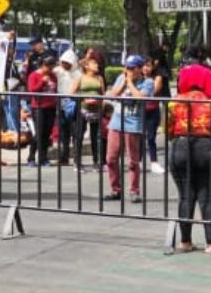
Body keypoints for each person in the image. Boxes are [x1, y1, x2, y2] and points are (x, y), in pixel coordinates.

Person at [168, 63, 211, 253]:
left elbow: (168, 128)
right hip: (209, 148)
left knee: (185, 196)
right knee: (207, 197)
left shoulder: (175, 101)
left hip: (181, 147)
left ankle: (185, 241)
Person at [106, 54, 155, 202]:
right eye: (127, 68)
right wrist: (124, 82)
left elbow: (140, 97)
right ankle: (115, 189)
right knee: (111, 158)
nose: (129, 70)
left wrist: (131, 83)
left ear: (140, 69)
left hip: (133, 124)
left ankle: (134, 190)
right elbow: (113, 94)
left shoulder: (148, 82)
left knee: (133, 161)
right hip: (116, 122)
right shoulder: (122, 78)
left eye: (132, 68)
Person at [71, 57, 105, 171]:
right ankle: (77, 162)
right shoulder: (80, 78)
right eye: (94, 63)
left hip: (96, 110)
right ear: (86, 66)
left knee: (96, 137)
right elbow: (72, 93)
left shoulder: (99, 78)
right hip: (83, 109)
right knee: (79, 136)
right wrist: (83, 99)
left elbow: (103, 93)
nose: (97, 65)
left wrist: (101, 102)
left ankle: (97, 161)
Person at [25, 54, 59, 167]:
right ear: (43, 65)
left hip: (51, 106)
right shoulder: (34, 75)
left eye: (52, 67)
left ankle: (43, 158)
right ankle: (31, 157)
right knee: (39, 133)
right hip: (39, 107)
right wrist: (42, 82)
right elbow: (32, 91)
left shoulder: (53, 76)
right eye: (48, 67)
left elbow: (55, 90)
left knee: (47, 134)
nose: (50, 70)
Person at [54, 49, 80, 164]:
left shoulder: (78, 74)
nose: (65, 65)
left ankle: (76, 157)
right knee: (63, 132)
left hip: (74, 103)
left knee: (75, 132)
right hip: (61, 103)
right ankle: (64, 156)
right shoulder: (58, 71)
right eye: (63, 62)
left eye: (67, 63)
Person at [142, 56, 168, 174]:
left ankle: (154, 162)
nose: (145, 68)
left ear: (153, 67)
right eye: (143, 65)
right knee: (138, 137)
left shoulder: (157, 77)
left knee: (151, 137)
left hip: (152, 110)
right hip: (139, 110)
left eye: (148, 65)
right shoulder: (138, 78)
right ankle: (138, 161)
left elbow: (154, 90)